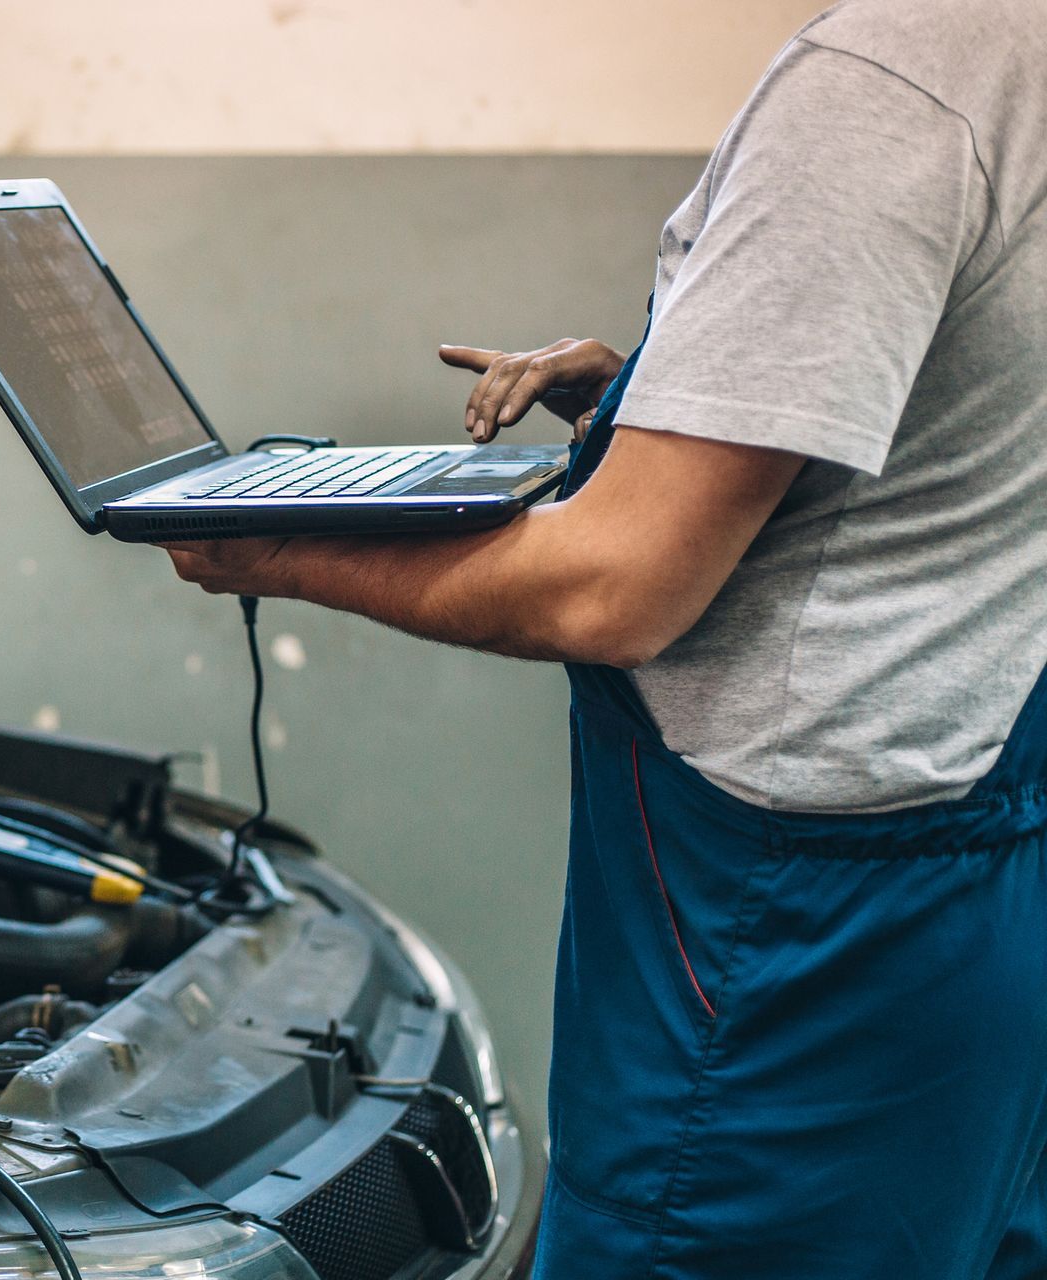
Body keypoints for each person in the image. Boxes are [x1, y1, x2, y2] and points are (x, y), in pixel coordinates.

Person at [163, 1, 1047, 1275]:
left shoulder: (883, 81)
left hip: (788, 962)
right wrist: (669, 391)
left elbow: (615, 589)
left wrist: (277, 545)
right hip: (970, 893)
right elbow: (955, 427)